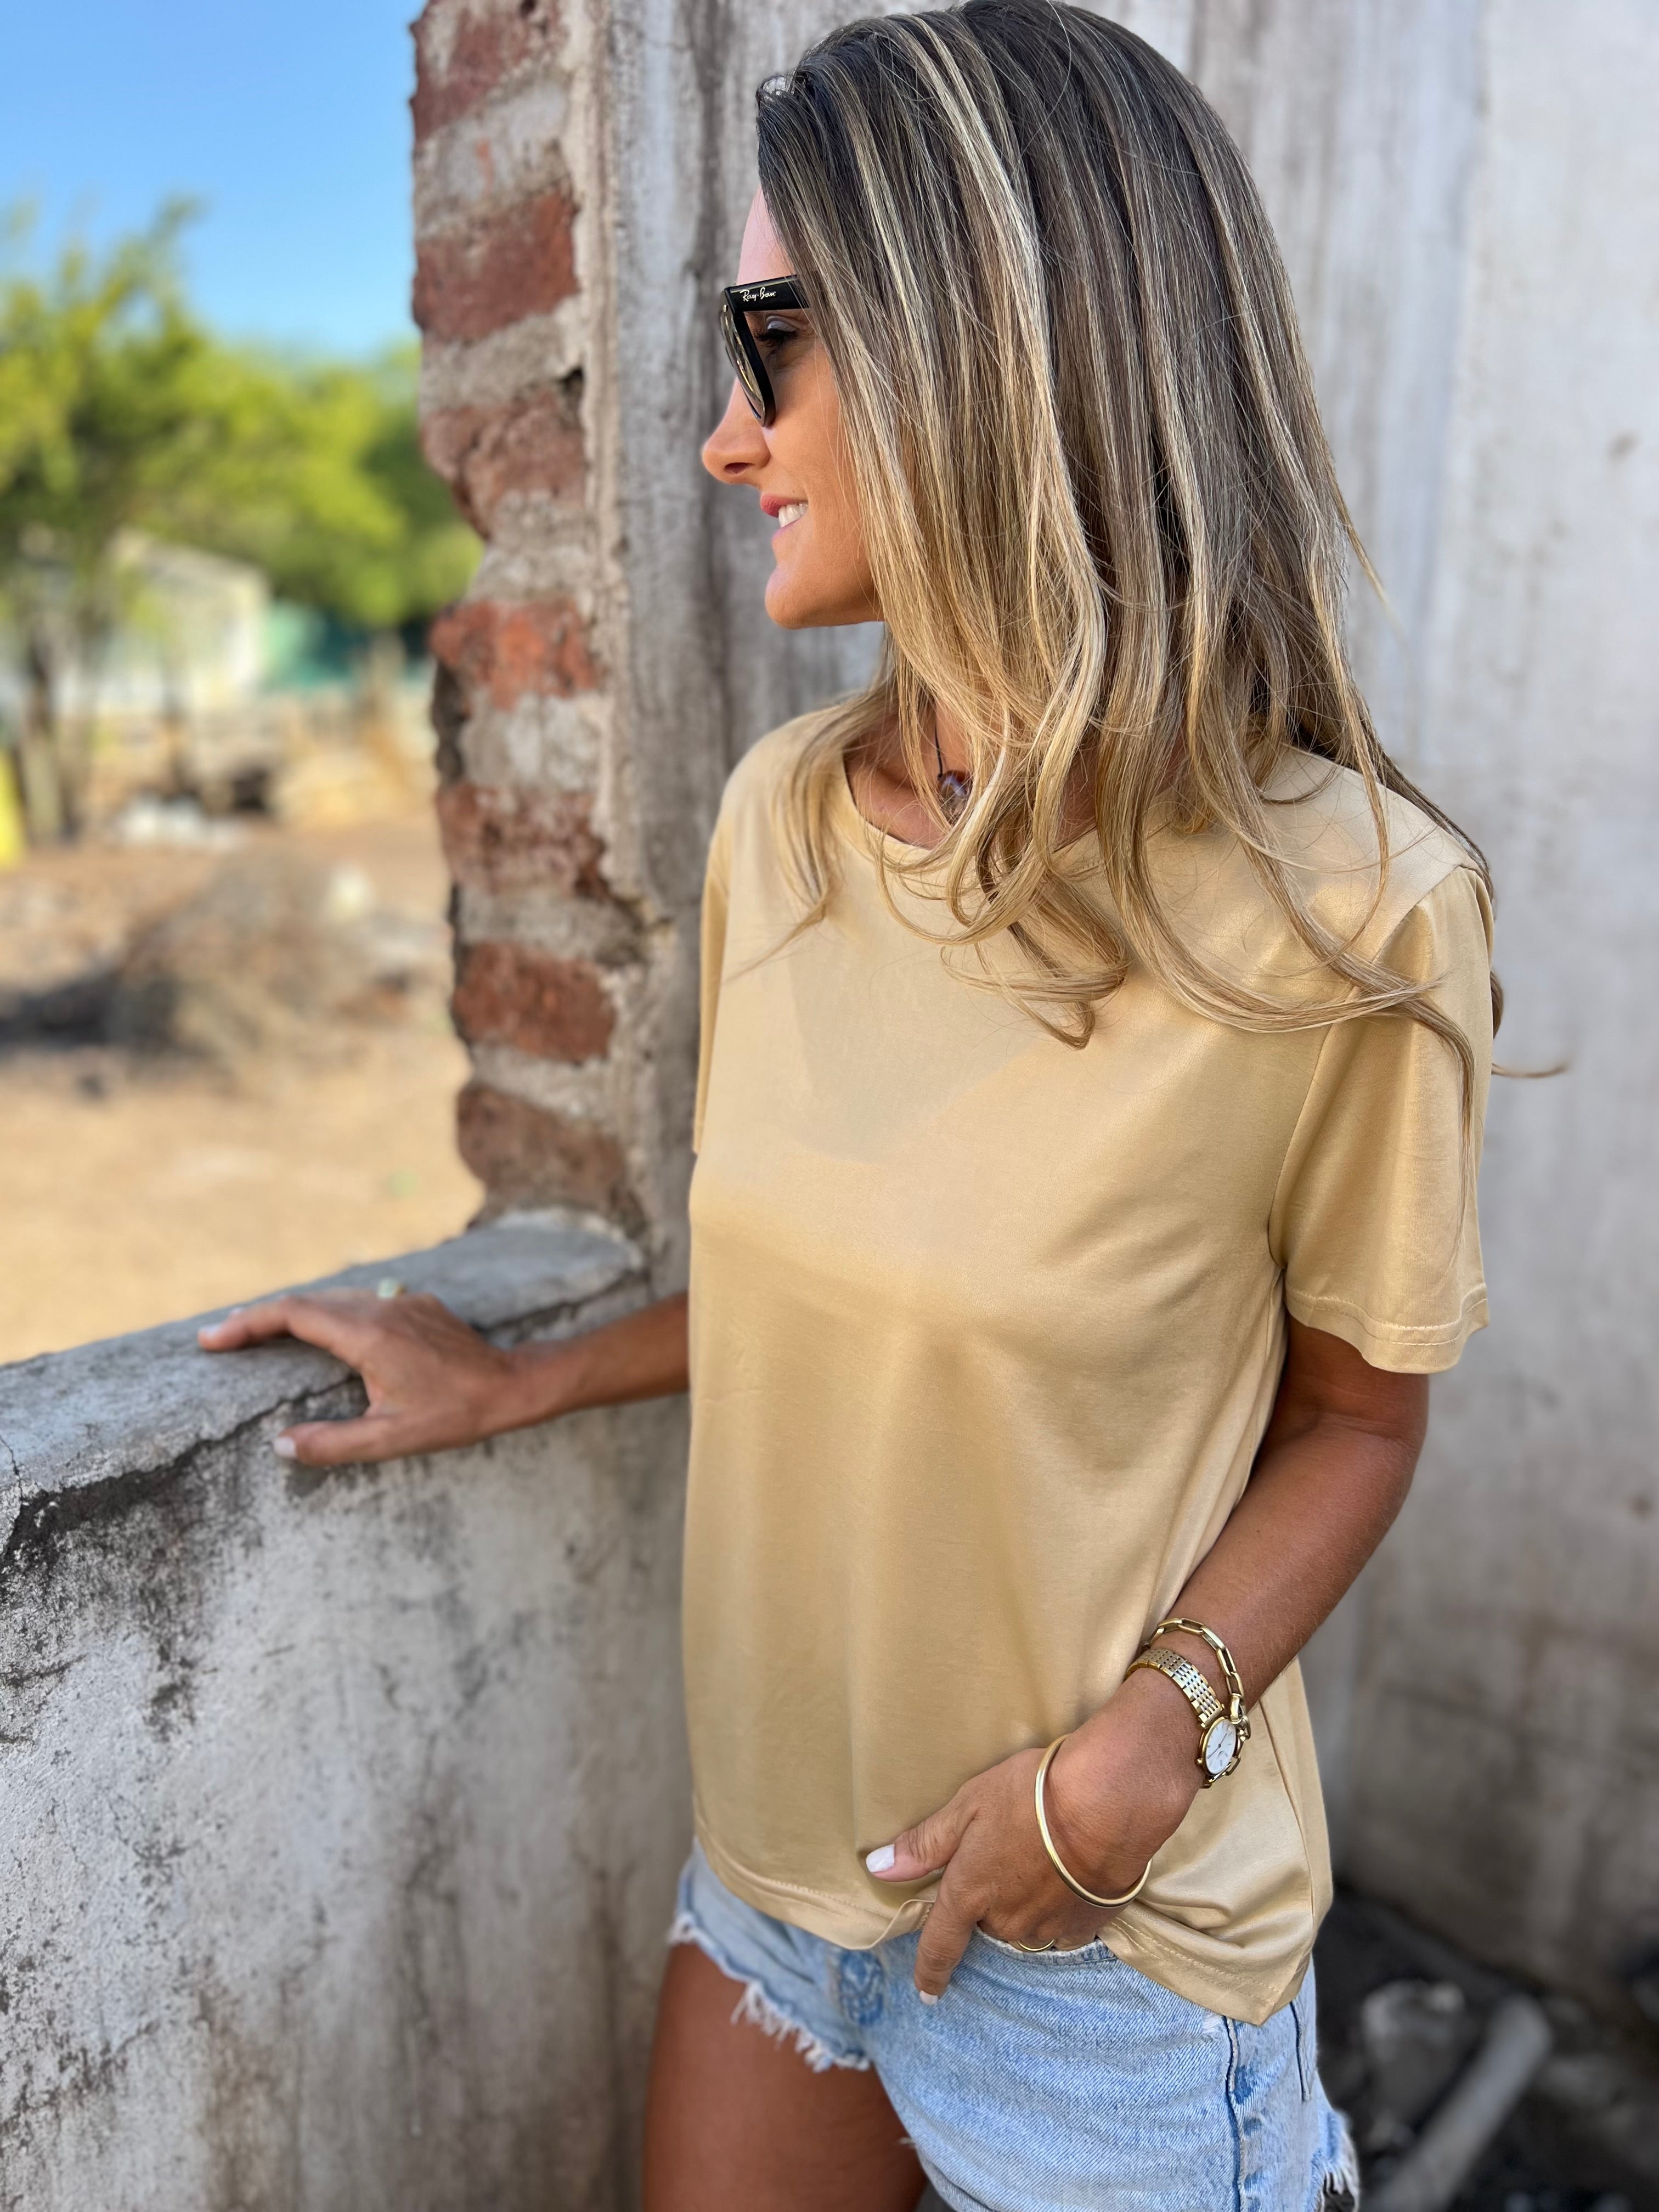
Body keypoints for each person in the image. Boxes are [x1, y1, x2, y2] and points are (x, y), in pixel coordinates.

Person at [201, 5, 1498, 2206]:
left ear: (987, 347)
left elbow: (1358, 1423)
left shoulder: (1354, 908)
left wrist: (1139, 1756)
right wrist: (514, 1382)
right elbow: (835, 1294)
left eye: (771, 345)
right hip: (777, 1881)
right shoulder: (783, 821)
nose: (728, 441)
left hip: (1101, 1949)